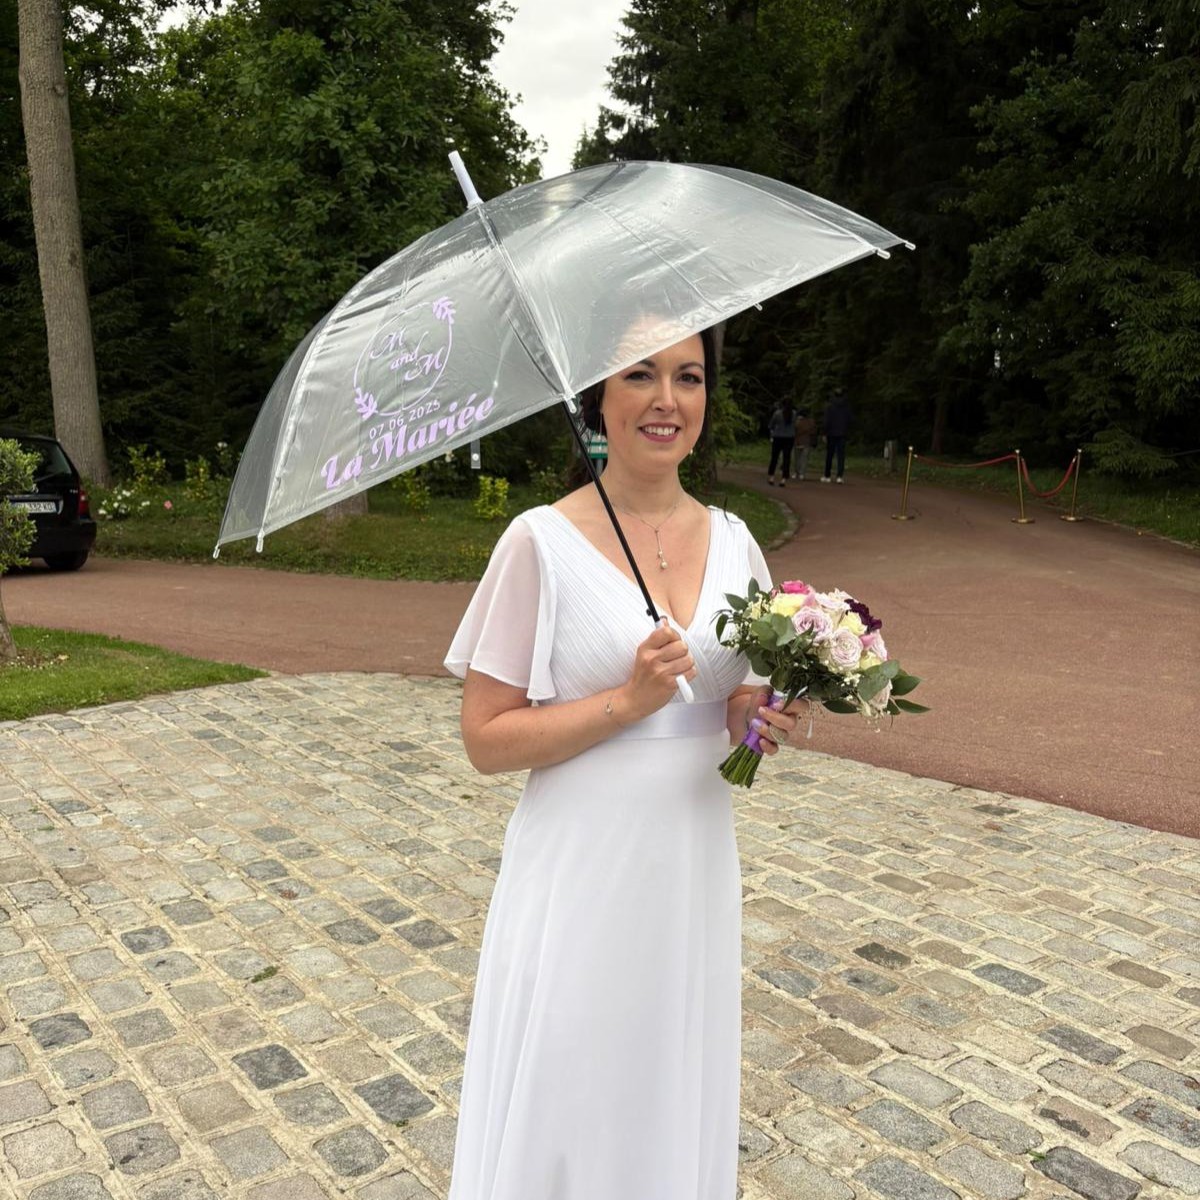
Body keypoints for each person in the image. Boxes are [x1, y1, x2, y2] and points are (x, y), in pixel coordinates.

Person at [443, 327, 805, 1199]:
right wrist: (626, 703)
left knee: (668, 1068)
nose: (666, 400)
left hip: (691, 865)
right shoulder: (538, 542)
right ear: (597, 398)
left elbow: (728, 717)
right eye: (639, 375)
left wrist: (762, 719)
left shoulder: (735, 539)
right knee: (573, 1077)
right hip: (581, 868)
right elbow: (486, 739)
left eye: (688, 376)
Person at [821, 385, 852, 483]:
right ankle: (839, 476)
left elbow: (827, 421)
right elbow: (850, 419)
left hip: (831, 433)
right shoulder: (846, 406)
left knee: (829, 455)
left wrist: (824, 432)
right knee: (841, 456)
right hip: (842, 433)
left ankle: (827, 475)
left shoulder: (829, 406)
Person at [766, 400, 795, 485]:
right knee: (786, 458)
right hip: (790, 437)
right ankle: (784, 479)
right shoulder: (794, 414)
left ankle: (771, 477)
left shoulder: (777, 413)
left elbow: (771, 425)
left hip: (778, 437)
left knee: (774, 457)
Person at [793, 406, 816, 480]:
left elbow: (794, 430)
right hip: (807, 441)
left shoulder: (797, 421)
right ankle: (802, 473)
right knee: (804, 459)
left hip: (797, 441)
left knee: (797, 458)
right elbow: (813, 431)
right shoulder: (811, 421)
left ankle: (796, 472)